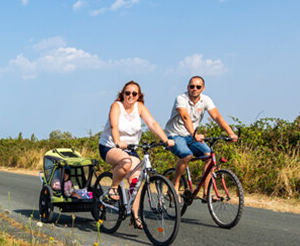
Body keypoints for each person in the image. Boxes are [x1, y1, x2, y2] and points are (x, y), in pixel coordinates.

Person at [99, 81, 174, 228]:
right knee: (126, 162)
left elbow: (152, 124)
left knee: (136, 180)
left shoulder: (139, 107)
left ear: (139, 95)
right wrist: (117, 141)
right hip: (110, 146)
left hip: (131, 148)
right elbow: (114, 126)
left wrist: (165, 139)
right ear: (122, 94)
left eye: (134, 93)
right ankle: (113, 188)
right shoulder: (116, 106)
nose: (130, 96)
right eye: (127, 93)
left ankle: (135, 216)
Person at [164, 76, 238, 200]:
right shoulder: (181, 99)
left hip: (191, 135)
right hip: (175, 134)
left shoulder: (206, 100)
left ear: (203, 88)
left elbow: (217, 117)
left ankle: (206, 193)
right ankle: (175, 185)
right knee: (187, 155)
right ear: (188, 87)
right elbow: (185, 117)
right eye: (192, 86)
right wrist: (194, 134)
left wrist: (231, 133)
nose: (195, 89)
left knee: (209, 156)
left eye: (198, 87)